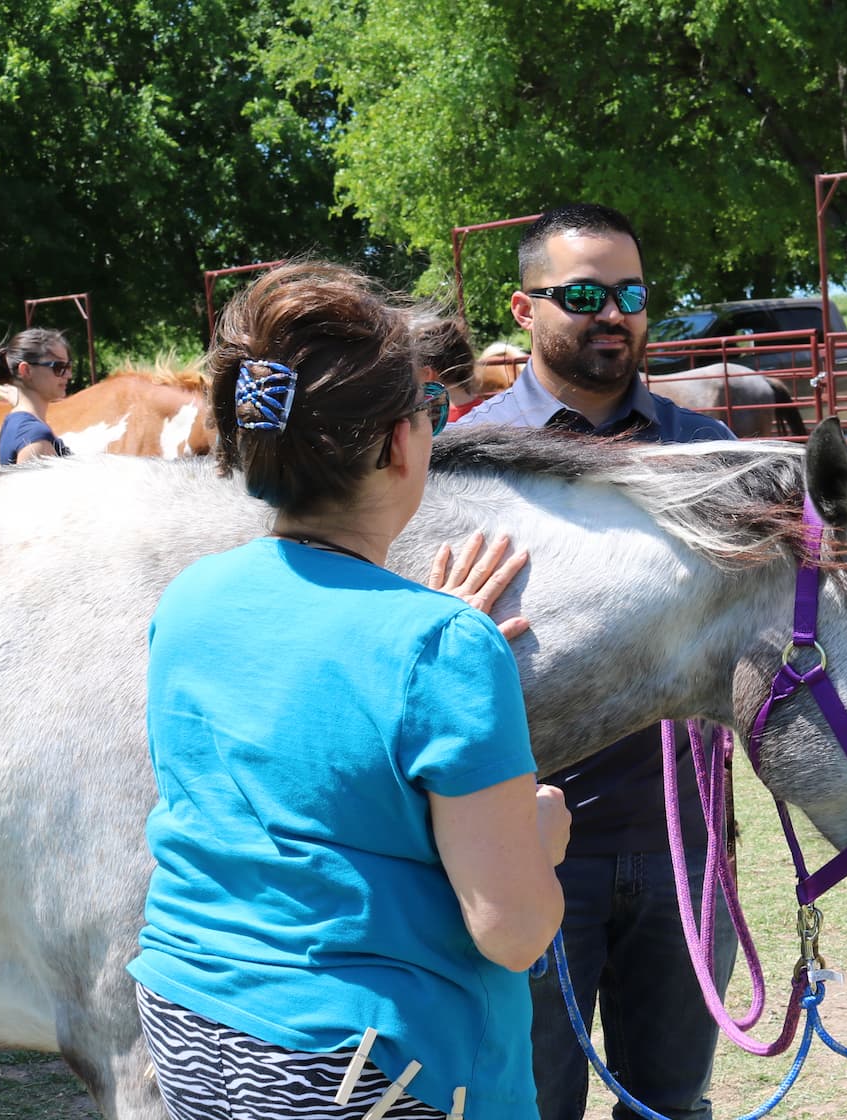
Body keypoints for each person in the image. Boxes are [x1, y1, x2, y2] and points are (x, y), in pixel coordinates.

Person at [129, 261, 569, 1120]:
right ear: (398, 442)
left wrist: (420, 632)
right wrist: (541, 837)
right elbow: (512, 931)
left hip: (188, 1017)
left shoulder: (190, 597)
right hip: (361, 1065)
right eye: (431, 411)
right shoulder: (441, 647)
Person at [455, 203, 740, 1120]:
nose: (610, 312)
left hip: (685, 843)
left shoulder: (710, 455)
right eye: (582, 293)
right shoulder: (463, 461)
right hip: (524, 844)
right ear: (523, 308)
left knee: (673, 1104)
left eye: (630, 293)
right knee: (530, 1108)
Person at [0, 327, 73, 464]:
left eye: (68, 366)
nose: (68, 375)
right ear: (26, 370)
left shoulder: (17, 421)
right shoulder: (35, 438)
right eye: (58, 368)